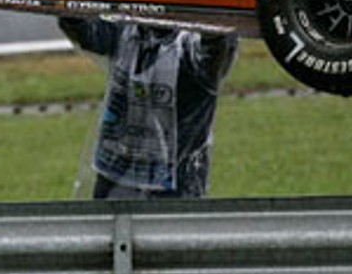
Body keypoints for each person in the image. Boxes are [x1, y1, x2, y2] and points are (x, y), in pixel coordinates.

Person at [58, 16, 239, 199]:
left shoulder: (190, 48)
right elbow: (86, 31)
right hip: (115, 176)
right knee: (107, 226)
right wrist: (69, 2)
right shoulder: (126, 30)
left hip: (174, 185)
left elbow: (216, 46)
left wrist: (204, 9)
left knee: (168, 226)